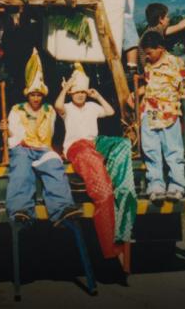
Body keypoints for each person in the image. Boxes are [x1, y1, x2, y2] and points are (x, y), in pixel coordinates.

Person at [55, 63, 134, 262]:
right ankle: (112, 247)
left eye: (83, 92)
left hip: (95, 143)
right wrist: (66, 87)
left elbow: (110, 112)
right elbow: (57, 106)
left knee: (122, 143)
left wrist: (96, 95)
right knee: (103, 192)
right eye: (77, 92)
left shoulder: (91, 106)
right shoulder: (67, 107)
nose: (80, 95)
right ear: (71, 93)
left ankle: (118, 179)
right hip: (78, 147)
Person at [0, 49, 81, 226]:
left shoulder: (49, 110)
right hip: (23, 147)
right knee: (20, 171)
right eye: (32, 94)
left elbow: (46, 136)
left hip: (43, 149)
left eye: (38, 95)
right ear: (27, 95)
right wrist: (6, 130)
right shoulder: (17, 109)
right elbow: (15, 134)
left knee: (55, 168)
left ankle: (62, 208)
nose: (36, 98)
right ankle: (20, 209)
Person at [134, 31, 185, 202]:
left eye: (150, 52)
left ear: (160, 48)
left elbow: (182, 89)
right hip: (150, 112)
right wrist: (137, 94)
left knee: (173, 149)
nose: (147, 56)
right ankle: (156, 186)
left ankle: (176, 186)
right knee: (151, 151)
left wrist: (174, 105)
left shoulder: (176, 63)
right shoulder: (148, 65)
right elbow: (149, 85)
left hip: (169, 112)